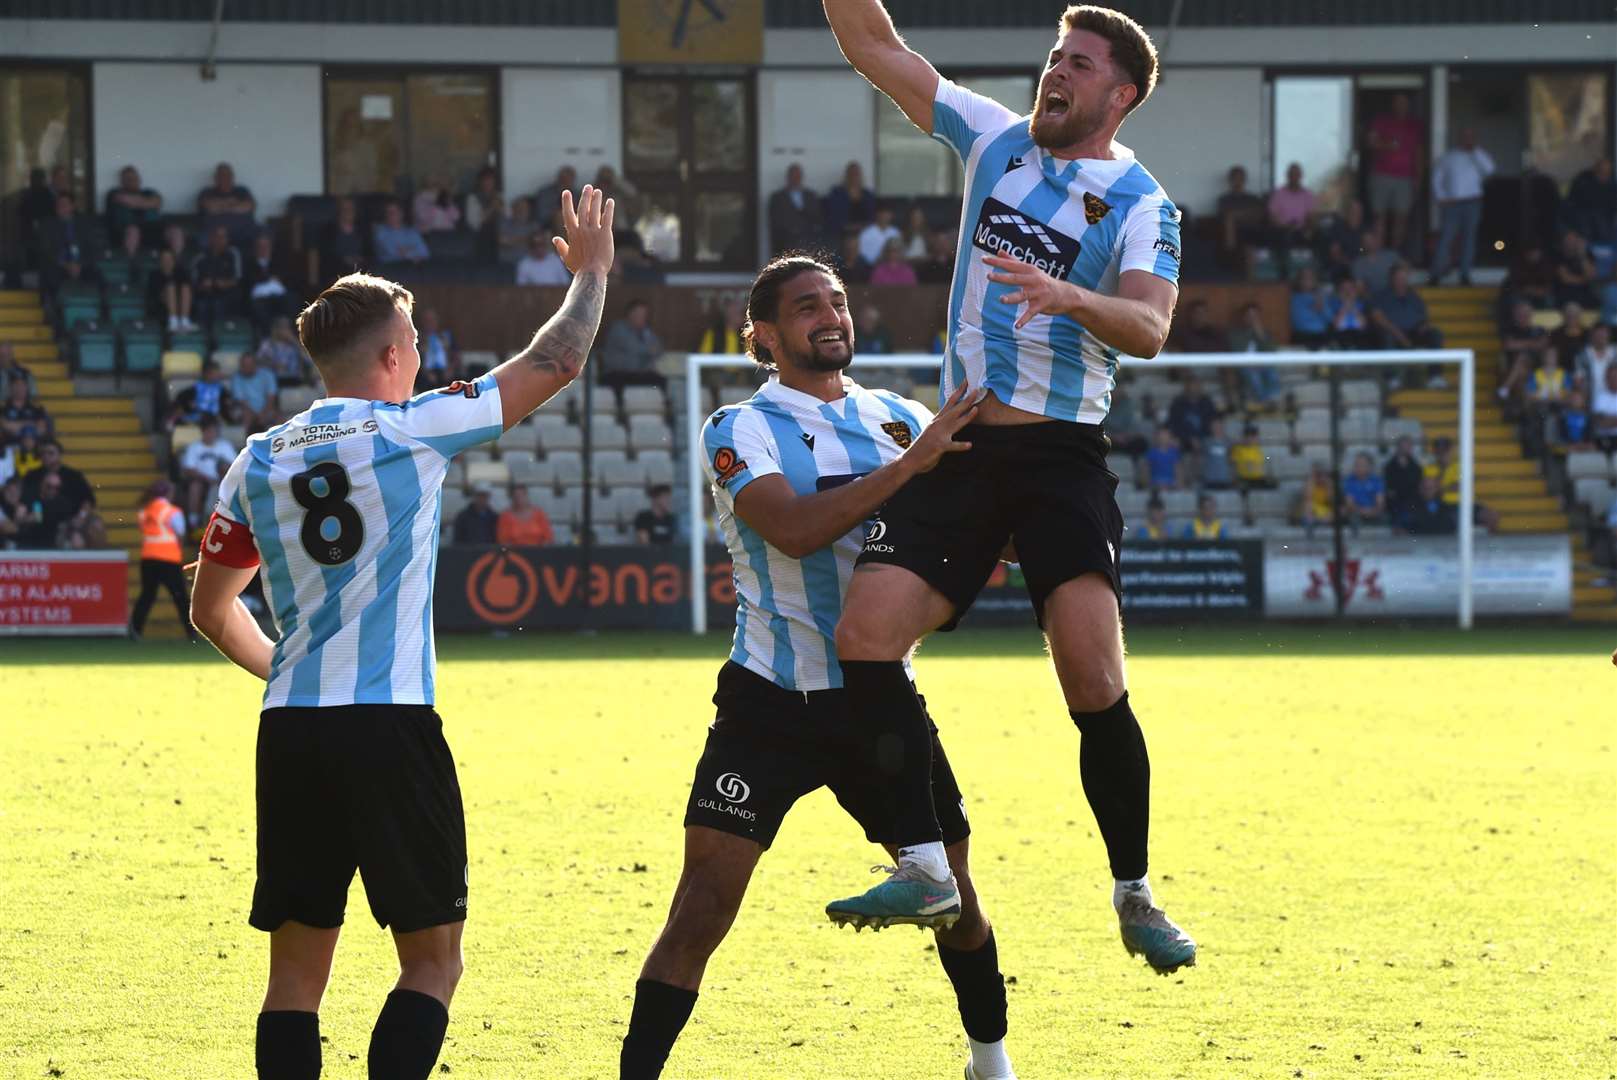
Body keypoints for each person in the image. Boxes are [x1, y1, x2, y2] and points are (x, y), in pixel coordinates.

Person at [187, 185, 612, 1080]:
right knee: (432, 960)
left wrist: (285, 670)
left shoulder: (255, 458)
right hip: (388, 724)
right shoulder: (413, 430)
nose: (422, 355)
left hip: (293, 730)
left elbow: (209, 607)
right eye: (415, 342)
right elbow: (560, 357)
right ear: (391, 353)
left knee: (295, 980)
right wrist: (595, 272)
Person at [820, 1, 1194, 978]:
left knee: (1093, 680)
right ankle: (925, 863)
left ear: (1119, 94)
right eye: (1053, 55)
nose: (1054, 71)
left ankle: (1134, 892)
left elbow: (1151, 329)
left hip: (1061, 457)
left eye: (1077, 62)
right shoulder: (992, 136)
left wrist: (1074, 297)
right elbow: (872, 44)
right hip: (965, 449)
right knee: (864, 638)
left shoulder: (1145, 205)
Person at [620, 254, 1013, 1080]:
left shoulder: (902, 416)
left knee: (958, 903)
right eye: (806, 307)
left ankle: (991, 1063)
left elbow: (981, 532)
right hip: (769, 701)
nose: (829, 316)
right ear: (762, 335)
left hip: (880, 702)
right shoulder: (739, 428)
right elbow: (792, 530)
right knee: (700, 909)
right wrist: (913, 468)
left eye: (837, 301)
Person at [128, 479, 194, 641]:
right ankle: (191, 632)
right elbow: (180, 533)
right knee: (180, 596)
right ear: (168, 493)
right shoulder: (172, 511)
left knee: (147, 595)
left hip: (148, 558)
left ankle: (135, 629)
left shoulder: (144, 511)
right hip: (169, 558)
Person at [1429, 127, 1493, 285]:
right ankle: (1436, 273)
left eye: (1471, 136)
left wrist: (1475, 151)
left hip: (1473, 202)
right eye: (1465, 136)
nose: (1468, 139)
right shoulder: (1449, 157)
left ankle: (1465, 274)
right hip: (1453, 203)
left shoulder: (1478, 156)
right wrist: (1441, 197)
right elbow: (1437, 178)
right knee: (1446, 238)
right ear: (1459, 138)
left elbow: (1490, 169)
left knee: (1469, 239)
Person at [1365, 93, 1422, 253]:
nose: (1401, 105)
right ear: (1393, 104)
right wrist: (1387, 145)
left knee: (1401, 219)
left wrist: (1418, 177)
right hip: (1381, 175)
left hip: (1405, 177)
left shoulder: (1414, 125)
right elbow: (1370, 142)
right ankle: (1378, 254)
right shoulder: (1381, 121)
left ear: (1408, 105)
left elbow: (1419, 152)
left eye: (1404, 102)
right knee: (1379, 217)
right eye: (1397, 102)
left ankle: (1395, 255)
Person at [36, 191, 102, 294]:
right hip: (58, 265)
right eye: (58, 205)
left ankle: (97, 308)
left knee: (99, 278)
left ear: (72, 206)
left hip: (81, 265)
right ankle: (54, 308)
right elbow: (46, 250)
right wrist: (66, 265)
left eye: (64, 204)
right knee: (49, 276)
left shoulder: (84, 224)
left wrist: (80, 264)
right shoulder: (47, 225)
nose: (61, 207)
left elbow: (93, 248)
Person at [177, 416, 237, 528]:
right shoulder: (194, 447)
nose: (212, 434)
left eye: (214, 431)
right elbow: (189, 469)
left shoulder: (225, 446)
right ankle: (193, 523)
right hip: (202, 481)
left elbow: (235, 466)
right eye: (209, 431)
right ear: (203, 431)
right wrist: (206, 478)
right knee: (195, 487)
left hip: (222, 480)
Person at [599, 298, 666, 395]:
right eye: (637, 314)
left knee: (659, 381)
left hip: (639, 374)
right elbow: (633, 347)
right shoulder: (618, 328)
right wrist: (649, 349)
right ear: (629, 314)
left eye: (643, 315)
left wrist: (651, 349)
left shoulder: (646, 331)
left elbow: (659, 349)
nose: (641, 317)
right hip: (617, 373)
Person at [1228, 301, 1281, 406]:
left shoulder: (1265, 333)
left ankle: (1274, 399)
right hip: (1244, 365)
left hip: (1261, 364)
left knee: (1272, 371)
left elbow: (1272, 352)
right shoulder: (1235, 334)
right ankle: (1264, 402)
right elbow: (1237, 352)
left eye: (1255, 316)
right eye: (1249, 316)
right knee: (1253, 375)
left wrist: (1260, 335)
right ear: (1243, 317)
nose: (1252, 319)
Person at [191, 225, 243, 327]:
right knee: (202, 305)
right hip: (205, 295)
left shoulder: (233, 254)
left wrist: (222, 283)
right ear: (211, 238)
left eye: (223, 237)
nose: (220, 240)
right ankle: (203, 337)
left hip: (228, 294)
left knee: (218, 304)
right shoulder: (200, 257)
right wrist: (203, 285)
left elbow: (237, 279)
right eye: (217, 236)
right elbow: (194, 281)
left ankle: (218, 336)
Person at [197, 162, 258, 247]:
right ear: (215, 178)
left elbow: (249, 206)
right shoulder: (207, 192)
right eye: (221, 175)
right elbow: (210, 208)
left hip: (243, 231)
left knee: (264, 234)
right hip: (214, 232)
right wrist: (234, 204)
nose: (225, 178)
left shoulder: (242, 191)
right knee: (203, 239)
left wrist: (220, 205)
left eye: (228, 175)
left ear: (233, 177)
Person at [767, 163, 823, 254]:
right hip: (786, 243)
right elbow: (775, 222)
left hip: (807, 243)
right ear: (788, 177)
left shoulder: (811, 196)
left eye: (797, 176)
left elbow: (817, 217)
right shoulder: (777, 197)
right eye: (792, 176)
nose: (795, 179)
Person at [1215, 164, 1265, 265]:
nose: (1237, 181)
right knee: (1229, 221)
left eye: (1240, 178)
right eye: (1235, 178)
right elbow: (1223, 216)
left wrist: (1236, 215)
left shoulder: (1253, 199)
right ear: (1230, 180)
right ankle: (1231, 252)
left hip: (1251, 229)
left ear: (1244, 180)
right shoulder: (1224, 199)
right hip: (1232, 232)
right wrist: (1242, 214)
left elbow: (1257, 215)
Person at [166, 361, 236, 430]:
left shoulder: (222, 390)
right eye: (214, 373)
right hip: (198, 416)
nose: (217, 376)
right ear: (206, 374)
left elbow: (227, 403)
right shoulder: (195, 388)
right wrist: (190, 405)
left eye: (217, 373)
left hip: (215, 418)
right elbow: (181, 399)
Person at [105, 164, 163, 240]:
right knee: (133, 231)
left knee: (175, 231)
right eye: (129, 179)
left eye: (135, 178)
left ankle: (176, 252)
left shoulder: (149, 192)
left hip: (152, 227)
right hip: (125, 229)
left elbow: (158, 202)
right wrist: (148, 203)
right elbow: (126, 200)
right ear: (122, 181)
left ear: (139, 179)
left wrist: (138, 203)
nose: (132, 181)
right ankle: (129, 252)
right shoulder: (114, 193)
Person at [1565, 156, 1615, 245]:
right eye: (1601, 172)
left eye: (1607, 173)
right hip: (1583, 224)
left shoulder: (1611, 186)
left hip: (1604, 227)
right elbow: (1572, 204)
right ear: (1595, 170)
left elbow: (1612, 208)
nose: (1604, 176)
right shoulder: (1582, 182)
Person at [230, 351, 282, 434]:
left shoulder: (267, 375)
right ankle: (247, 444)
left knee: (280, 420)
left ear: (255, 364)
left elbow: (271, 398)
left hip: (267, 409)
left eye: (249, 365)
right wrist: (255, 415)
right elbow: (241, 402)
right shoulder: (237, 378)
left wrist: (263, 413)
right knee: (246, 416)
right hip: (247, 410)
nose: (247, 367)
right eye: (244, 365)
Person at [1266, 161, 1316, 246]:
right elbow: (1272, 217)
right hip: (1282, 230)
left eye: (1296, 174)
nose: (1294, 177)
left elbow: (1311, 216)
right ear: (1287, 176)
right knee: (1282, 236)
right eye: (1291, 174)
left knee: (1320, 235)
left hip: (1302, 230)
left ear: (1301, 176)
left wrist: (1309, 228)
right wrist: (1284, 226)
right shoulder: (1278, 194)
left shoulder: (1308, 195)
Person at [823, 160, 876, 238]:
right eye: (851, 174)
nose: (854, 176)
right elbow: (833, 215)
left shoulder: (867, 194)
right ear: (846, 175)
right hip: (843, 232)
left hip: (864, 231)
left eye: (856, 174)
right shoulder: (837, 193)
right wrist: (847, 227)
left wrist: (863, 227)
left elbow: (872, 215)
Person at [258, 316, 315, 387]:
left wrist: (294, 341)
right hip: (275, 382)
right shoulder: (267, 344)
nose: (285, 330)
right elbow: (258, 361)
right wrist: (273, 364)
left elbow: (308, 360)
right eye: (282, 327)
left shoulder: (294, 344)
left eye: (287, 327)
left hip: (295, 381)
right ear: (276, 329)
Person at [1382, 435, 1423, 531]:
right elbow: (1389, 485)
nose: (1405, 448)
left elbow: (1416, 483)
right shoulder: (1389, 466)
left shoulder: (1416, 467)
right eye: (1403, 446)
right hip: (1395, 499)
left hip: (1411, 499)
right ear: (1398, 447)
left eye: (1407, 446)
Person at [321, 196, 367, 277]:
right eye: (344, 209)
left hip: (361, 269)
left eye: (350, 208)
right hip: (337, 269)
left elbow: (370, 252)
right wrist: (343, 260)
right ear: (339, 211)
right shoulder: (328, 231)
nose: (348, 212)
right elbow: (326, 255)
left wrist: (361, 259)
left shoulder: (364, 229)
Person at [373, 200, 430, 265]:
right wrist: (412, 251)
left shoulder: (412, 232)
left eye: (393, 212)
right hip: (389, 268)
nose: (390, 215)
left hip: (412, 267)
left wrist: (407, 252)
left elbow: (424, 252)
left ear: (401, 214)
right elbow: (394, 252)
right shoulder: (380, 232)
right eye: (388, 212)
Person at [1289, 266, 1332, 349]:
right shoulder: (1295, 298)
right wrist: (1316, 310)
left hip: (1322, 336)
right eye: (1305, 278)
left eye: (1311, 277)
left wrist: (1320, 307)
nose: (1308, 281)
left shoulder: (1322, 297)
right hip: (1303, 336)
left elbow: (1329, 318)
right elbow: (1299, 322)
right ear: (1299, 280)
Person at [1554, 231, 1599, 309]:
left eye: (1573, 240)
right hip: (1564, 290)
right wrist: (1584, 279)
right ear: (1563, 242)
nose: (1570, 243)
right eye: (1568, 240)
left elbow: (1591, 275)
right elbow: (1566, 279)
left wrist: (1582, 255)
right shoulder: (1559, 255)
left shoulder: (1587, 255)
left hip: (1584, 291)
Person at [1342, 452, 1386, 528]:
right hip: (1357, 513)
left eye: (1361, 465)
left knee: (1386, 518)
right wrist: (1363, 511)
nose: (1358, 467)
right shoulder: (1349, 481)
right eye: (1356, 465)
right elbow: (1349, 503)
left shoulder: (1376, 480)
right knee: (1350, 517)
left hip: (1374, 513)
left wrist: (1372, 511)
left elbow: (1380, 503)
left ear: (1369, 466)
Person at [1327, 277, 1373, 351]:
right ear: (1339, 291)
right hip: (1340, 338)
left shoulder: (1362, 304)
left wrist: (1353, 306)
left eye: (1350, 289)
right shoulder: (1333, 304)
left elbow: (1363, 326)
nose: (1347, 292)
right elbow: (1336, 326)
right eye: (1344, 289)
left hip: (1359, 338)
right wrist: (1345, 306)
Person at [1351, 228, 1399, 295]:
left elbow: (1404, 269)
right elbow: (1360, 288)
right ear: (1362, 244)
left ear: (1376, 240)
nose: (1369, 243)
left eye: (1371, 239)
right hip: (1373, 297)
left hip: (1395, 293)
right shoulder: (1358, 264)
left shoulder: (1391, 255)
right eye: (1366, 241)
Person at [533, 165, 578, 232]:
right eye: (563, 179)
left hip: (572, 225)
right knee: (559, 215)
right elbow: (541, 215)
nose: (565, 182)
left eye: (568, 179)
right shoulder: (545, 193)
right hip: (547, 226)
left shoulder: (577, 195)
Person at [497, 196, 540, 265]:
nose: (521, 210)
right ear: (513, 209)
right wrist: (526, 239)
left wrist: (513, 240)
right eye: (518, 207)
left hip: (530, 263)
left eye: (524, 208)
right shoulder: (505, 223)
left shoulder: (534, 225)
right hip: (507, 263)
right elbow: (503, 240)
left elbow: (537, 242)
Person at [1229, 422, 1270, 489]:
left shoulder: (1260, 450)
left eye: (1253, 436)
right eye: (1248, 436)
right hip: (1244, 479)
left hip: (1259, 479)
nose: (1250, 439)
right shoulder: (1237, 449)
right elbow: (1233, 467)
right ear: (1244, 437)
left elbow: (1267, 462)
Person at [1576, 321, 1613, 394]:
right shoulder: (1583, 356)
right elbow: (1578, 381)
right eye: (1599, 335)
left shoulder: (1615, 353)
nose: (1601, 338)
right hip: (1591, 399)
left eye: (1604, 335)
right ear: (1592, 336)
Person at [463, 165, 502, 233]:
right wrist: (492, 207)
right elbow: (474, 224)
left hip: (499, 234)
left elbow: (507, 218)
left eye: (491, 179)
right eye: (485, 179)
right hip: (479, 235)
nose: (488, 182)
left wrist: (501, 209)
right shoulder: (473, 198)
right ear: (480, 181)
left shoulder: (498, 196)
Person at [1299, 461, 1335, 535]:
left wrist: (1328, 485)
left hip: (1325, 511)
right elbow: (1307, 498)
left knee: (1332, 512)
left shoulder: (1328, 485)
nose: (1320, 478)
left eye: (1322, 475)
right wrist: (1311, 481)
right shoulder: (1310, 484)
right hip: (1312, 511)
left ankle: (1321, 523)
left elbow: (1330, 500)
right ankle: (1311, 525)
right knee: (1308, 506)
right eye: (1317, 475)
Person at [1199, 416, 1235, 490]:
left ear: (1223, 427)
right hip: (1210, 479)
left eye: (1219, 426)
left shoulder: (1230, 442)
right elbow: (1201, 459)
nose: (1217, 428)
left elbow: (1232, 460)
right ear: (1211, 427)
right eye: (1215, 426)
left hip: (1225, 479)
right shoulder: (1206, 442)